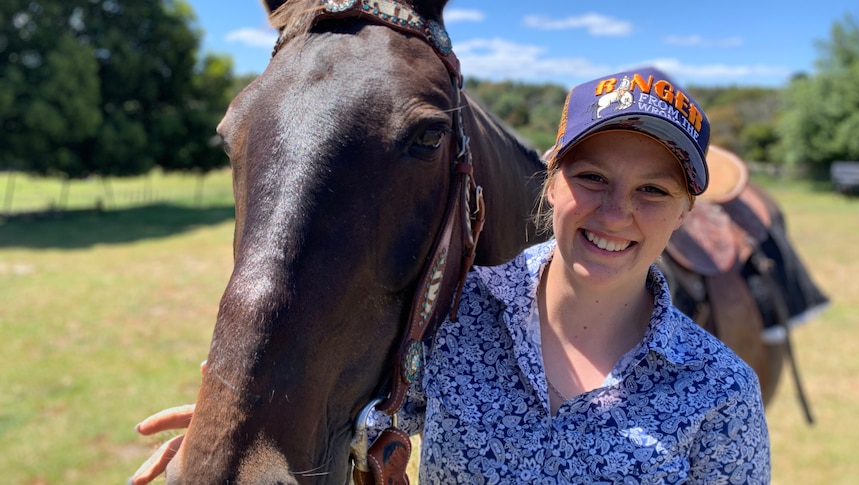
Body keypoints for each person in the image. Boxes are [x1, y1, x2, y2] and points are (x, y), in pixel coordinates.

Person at [131, 67, 770, 484]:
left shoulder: (721, 394)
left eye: (653, 190)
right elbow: (370, 413)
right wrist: (248, 415)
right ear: (550, 181)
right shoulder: (451, 318)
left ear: (687, 212)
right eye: (592, 177)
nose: (616, 213)